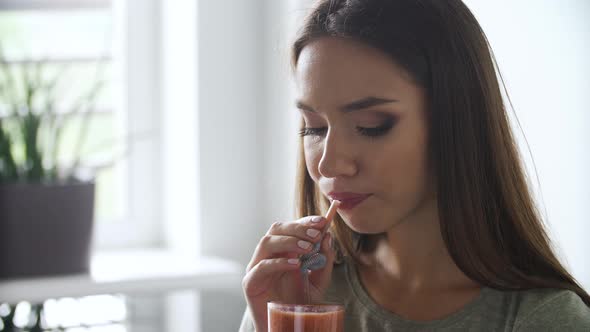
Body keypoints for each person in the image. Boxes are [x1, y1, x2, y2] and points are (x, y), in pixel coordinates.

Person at [240, 0, 590, 331]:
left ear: (455, 122)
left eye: (371, 125)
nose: (329, 164)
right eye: (313, 127)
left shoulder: (542, 320)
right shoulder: (294, 294)